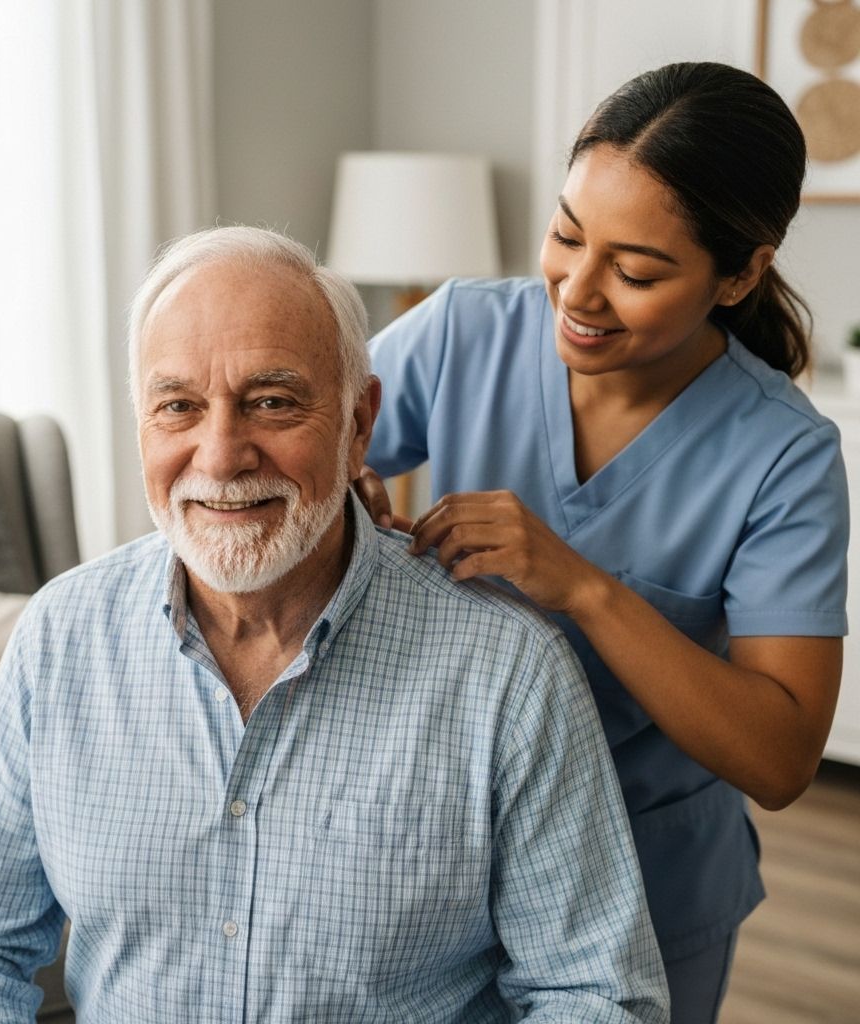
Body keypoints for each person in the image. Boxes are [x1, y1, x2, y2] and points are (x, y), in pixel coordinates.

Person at [0, 226, 669, 1022]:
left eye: (272, 402)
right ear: (140, 425)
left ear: (358, 423)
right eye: (179, 406)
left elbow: (597, 997)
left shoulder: (508, 673)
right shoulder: (58, 639)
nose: (222, 454)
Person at [358, 62, 850, 1024]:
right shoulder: (464, 329)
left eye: (635, 271)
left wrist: (584, 587)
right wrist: (345, 483)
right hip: (438, 864)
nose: (577, 293)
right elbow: (307, 450)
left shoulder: (784, 454)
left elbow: (782, 756)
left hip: (649, 888)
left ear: (741, 273)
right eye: (566, 235)